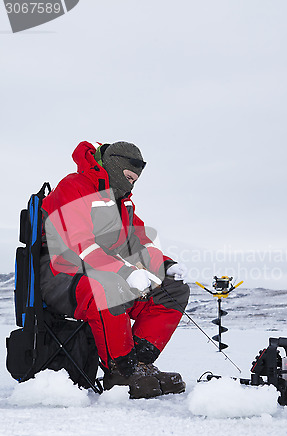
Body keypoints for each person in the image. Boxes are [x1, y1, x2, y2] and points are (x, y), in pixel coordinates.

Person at [40, 140, 190, 398]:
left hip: (103, 274)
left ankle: (138, 365)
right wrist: (125, 272)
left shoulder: (123, 203)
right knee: (110, 284)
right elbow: (78, 244)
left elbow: (139, 242)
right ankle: (120, 371)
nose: (131, 185)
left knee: (173, 290)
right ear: (114, 166)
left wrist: (166, 266)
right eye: (129, 178)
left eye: (135, 181)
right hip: (61, 277)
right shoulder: (73, 186)